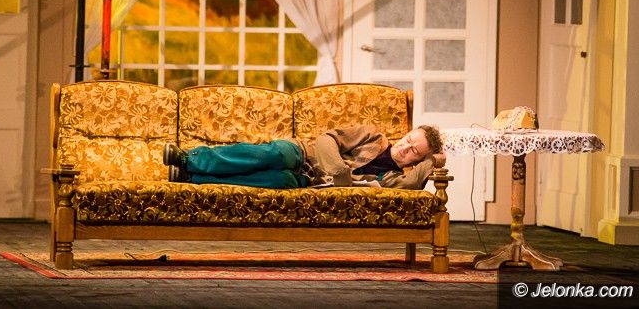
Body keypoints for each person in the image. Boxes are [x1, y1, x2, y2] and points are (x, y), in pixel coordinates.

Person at [162, 124, 444, 190]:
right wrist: (339, 172)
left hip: (307, 182)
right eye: (408, 139)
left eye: (414, 151)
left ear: (416, 161)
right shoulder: (372, 135)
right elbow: (326, 139)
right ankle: (190, 159)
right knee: (274, 155)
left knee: (276, 180)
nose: (405, 147)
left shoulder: (392, 178)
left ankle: (192, 178)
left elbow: (412, 185)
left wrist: (435, 160)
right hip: (301, 153)